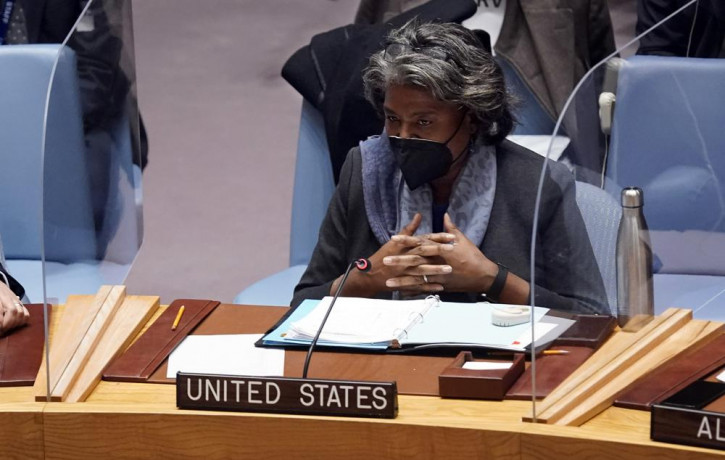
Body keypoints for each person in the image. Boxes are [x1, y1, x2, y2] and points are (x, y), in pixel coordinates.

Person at [292, 20, 609, 315]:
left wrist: (493, 280)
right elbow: (300, 305)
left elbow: (591, 317)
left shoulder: (536, 184)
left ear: (472, 118)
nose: (403, 136)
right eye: (392, 119)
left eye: (423, 122)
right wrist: (364, 280)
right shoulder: (363, 170)